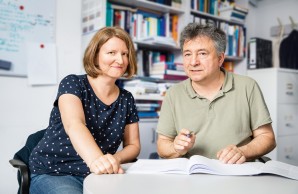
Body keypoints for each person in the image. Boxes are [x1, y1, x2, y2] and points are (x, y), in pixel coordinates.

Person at [29, 26, 141, 194]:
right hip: (55, 172)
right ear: (95, 55)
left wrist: (114, 159)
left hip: (99, 173)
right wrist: (98, 160)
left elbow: (133, 145)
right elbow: (74, 124)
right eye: (111, 53)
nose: (120, 60)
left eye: (125, 54)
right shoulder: (73, 83)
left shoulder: (126, 98)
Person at [156, 23, 276, 164]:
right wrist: (176, 148)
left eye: (202, 53)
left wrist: (242, 152)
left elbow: (267, 137)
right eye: (187, 54)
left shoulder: (247, 86)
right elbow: (162, 144)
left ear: (220, 58)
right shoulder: (173, 94)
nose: (193, 62)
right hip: (194, 175)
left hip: (239, 172)